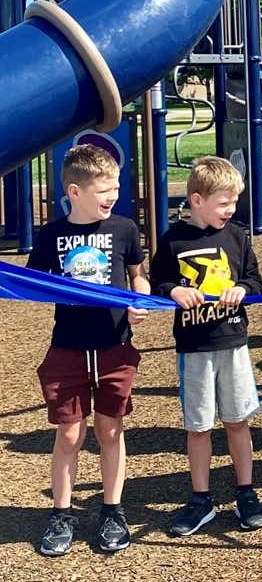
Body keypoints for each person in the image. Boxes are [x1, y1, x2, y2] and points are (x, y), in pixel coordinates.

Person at [26, 144, 150, 556]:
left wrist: (140, 302)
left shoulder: (125, 229)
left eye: (115, 188)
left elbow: (138, 277)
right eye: (104, 190)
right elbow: (32, 283)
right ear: (74, 192)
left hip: (115, 345)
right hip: (68, 347)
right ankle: (61, 513)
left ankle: (112, 510)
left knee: (110, 430)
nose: (112, 196)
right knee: (69, 434)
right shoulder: (51, 235)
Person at [150, 156, 262, 536]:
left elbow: (254, 281)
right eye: (223, 202)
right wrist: (175, 291)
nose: (230, 209)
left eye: (234, 201)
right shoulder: (172, 240)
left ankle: (246, 492)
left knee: (237, 420)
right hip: (194, 347)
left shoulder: (236, 235)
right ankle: (201, 498)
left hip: (232, 342)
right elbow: (159, 284)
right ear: (197, 200)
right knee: (198, 426)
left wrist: (242, 289)